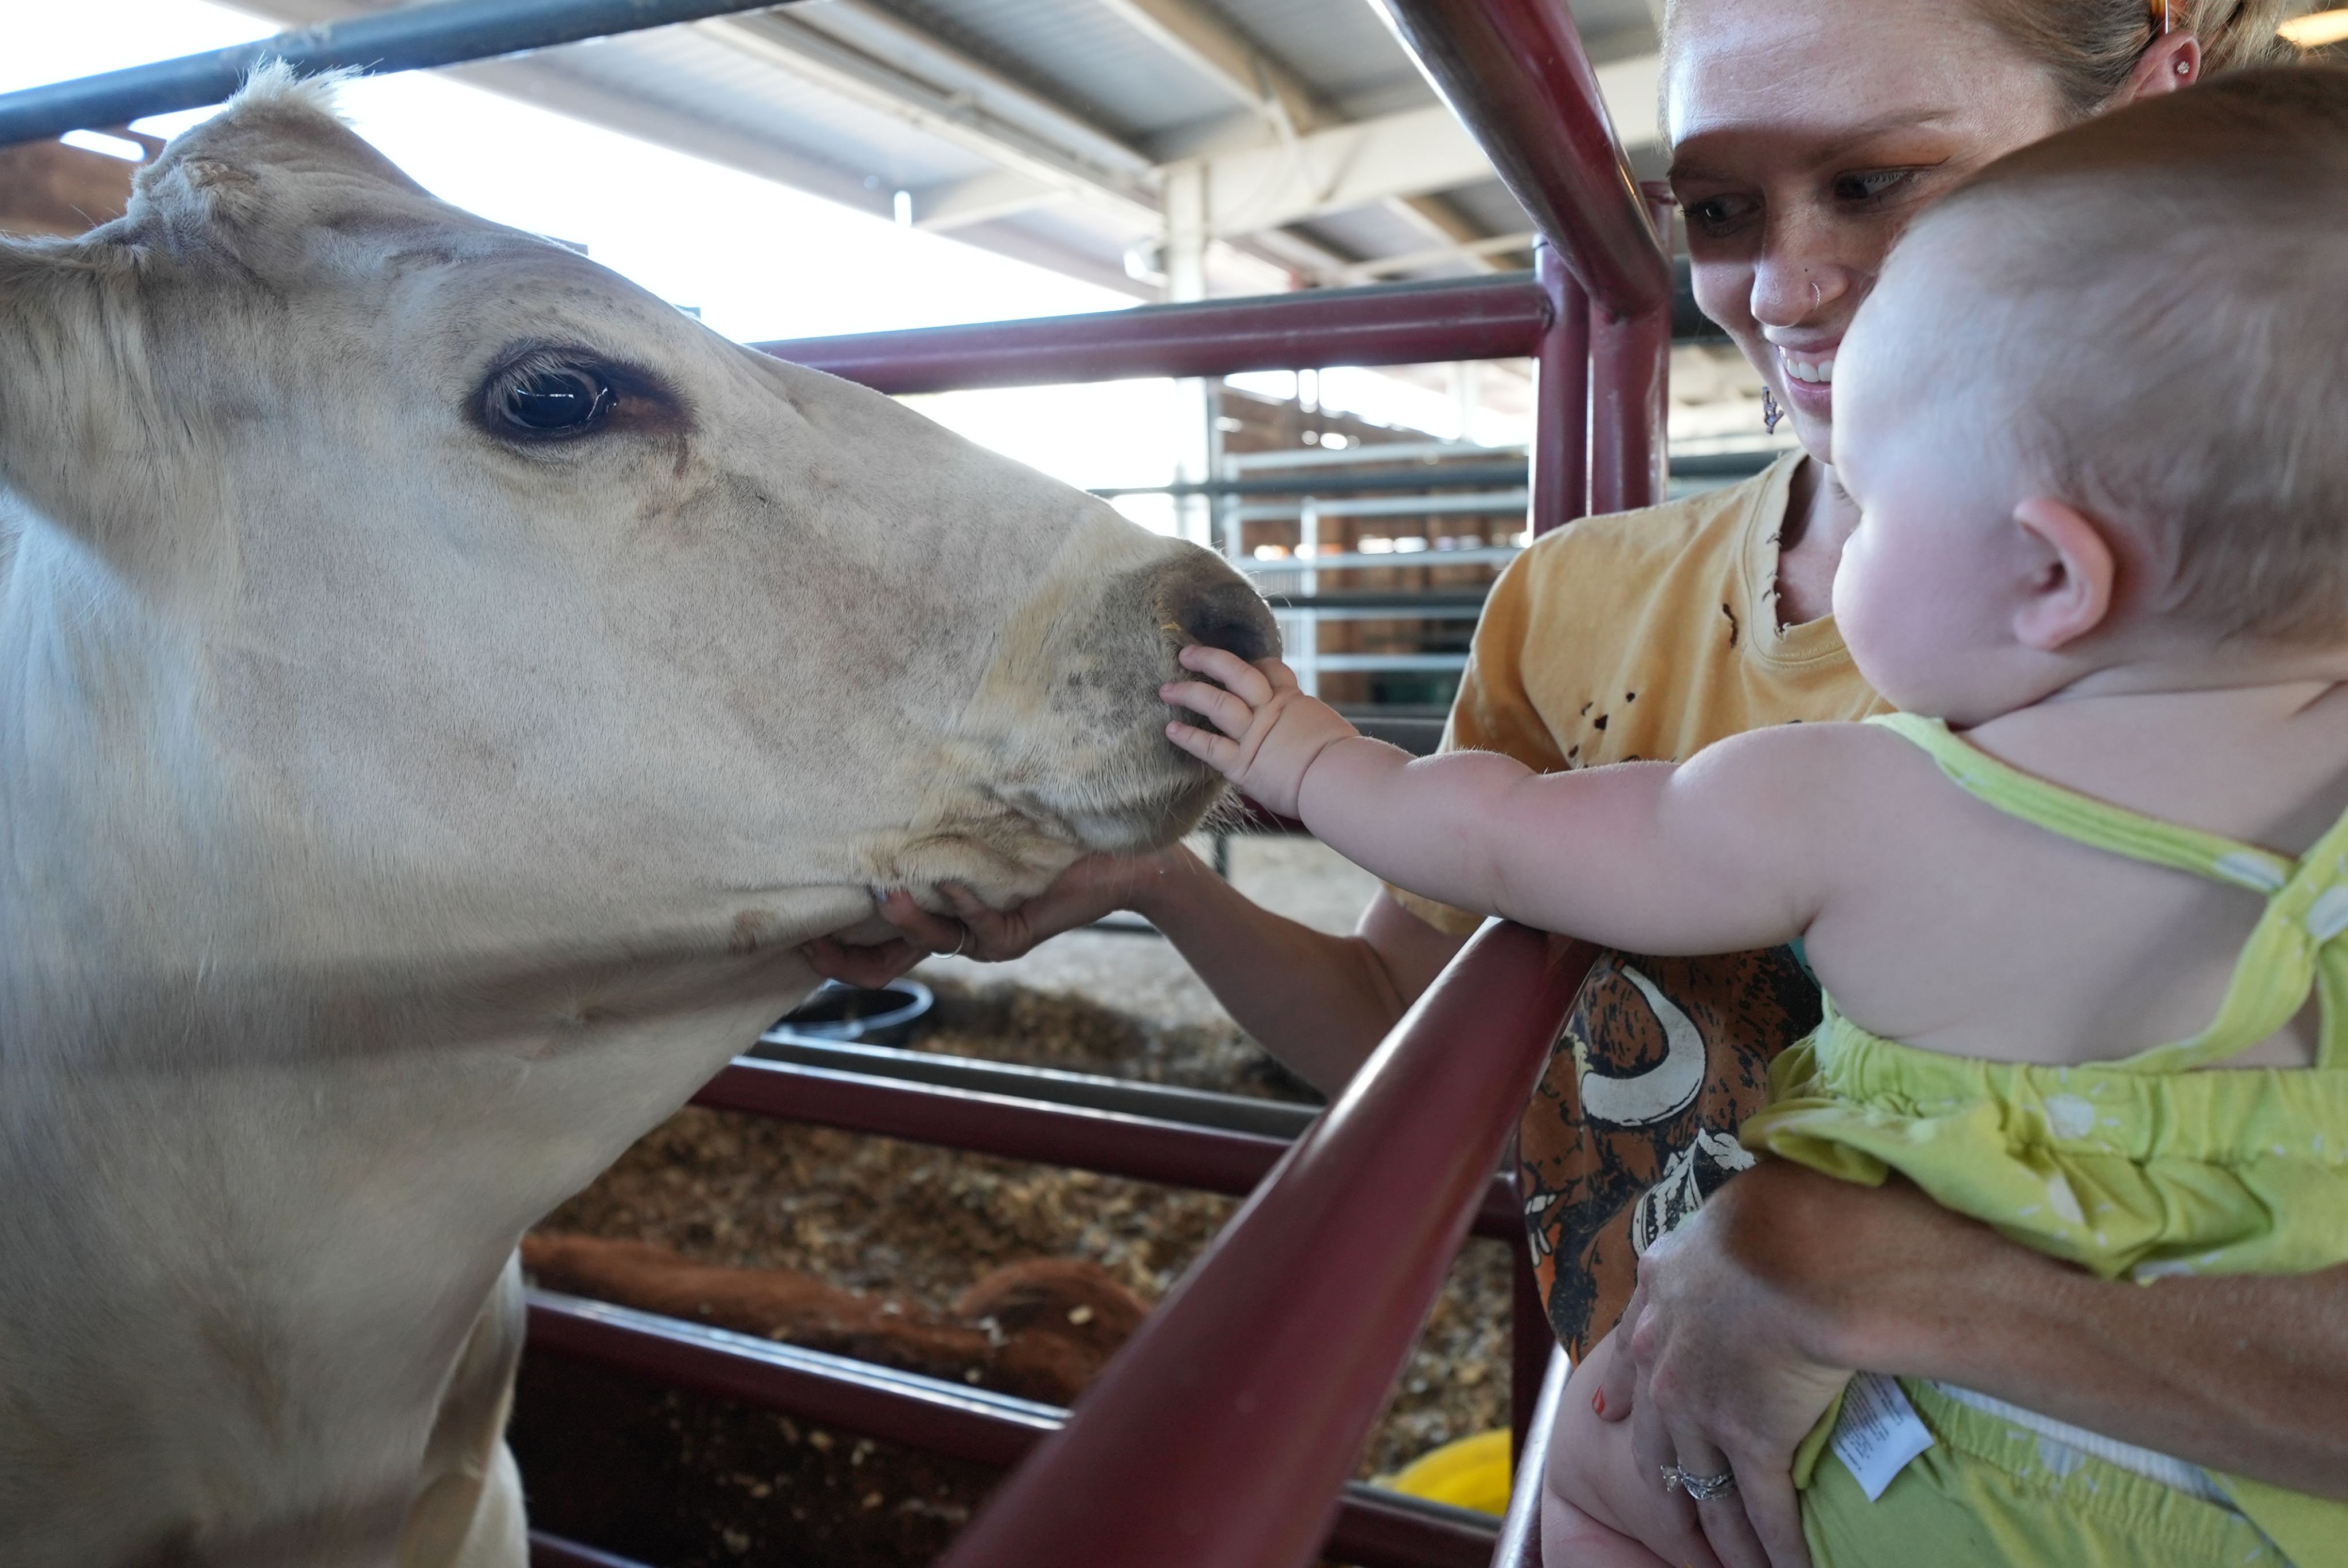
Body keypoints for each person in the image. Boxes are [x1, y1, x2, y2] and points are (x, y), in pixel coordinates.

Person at [810, 2, 2348, 1562]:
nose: (1789, 288)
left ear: (2156, 104)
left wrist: (1861, 1273)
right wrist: (1156, 877)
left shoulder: (1902, 753)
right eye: (1719, 210)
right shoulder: (1584, 607)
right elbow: (1398, 1030)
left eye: (1881, 181)